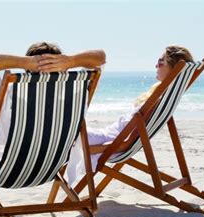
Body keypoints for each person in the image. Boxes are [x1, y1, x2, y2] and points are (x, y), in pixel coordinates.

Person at [0, 42, 106, 207]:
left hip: (6, 173)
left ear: (28, 69)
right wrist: (71, 61)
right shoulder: (77, 92)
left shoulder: (10, 92)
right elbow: (101, 57)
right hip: (49, 171)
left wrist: (25, 62)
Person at [65, 45, 195, 184]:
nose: (156, 65)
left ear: (174, 68)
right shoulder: (165, 96)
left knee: (66, 137)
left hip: (109, 141)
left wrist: (95, 150)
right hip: (108, 137)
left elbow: (124, 145)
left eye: (161, 61)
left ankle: (64, 183)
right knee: (68, 134)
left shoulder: (157, 100)